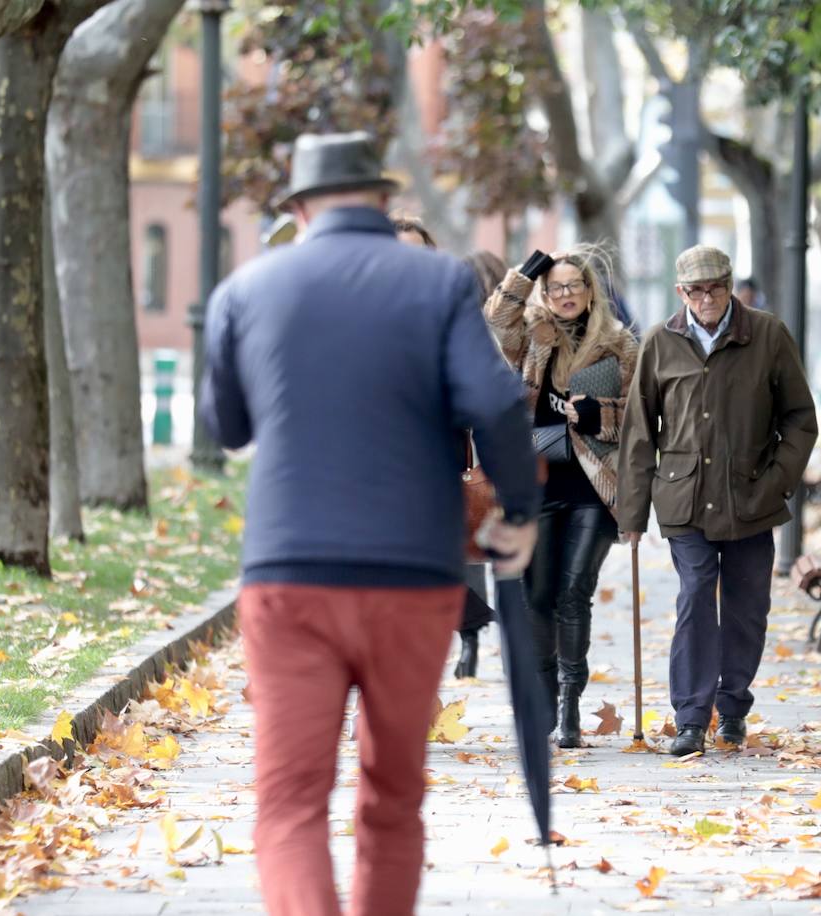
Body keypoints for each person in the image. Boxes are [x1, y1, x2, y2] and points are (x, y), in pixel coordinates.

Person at [199, 131, 539, 916]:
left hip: (291, 575)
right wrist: (517, 511)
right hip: (413, 577)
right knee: (392, 796)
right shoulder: (439, 284)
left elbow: (226, 424)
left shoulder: (247, 290)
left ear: (297, 208)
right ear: (383, 201)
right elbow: (492, 401)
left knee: (289, 803)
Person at [616, 245, 817, 757]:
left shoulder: (767, 335)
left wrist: (777, 481)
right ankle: (690, 716)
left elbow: (800, 418)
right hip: (684, 499)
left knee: (748, 607)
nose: (708, 298)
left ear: (731, 286)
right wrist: (632, 514)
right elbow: (640, 432)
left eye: (716, 288)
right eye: (696, 290)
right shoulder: (660, 342)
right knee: (696, 595)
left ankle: (731, 709)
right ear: (680, 293)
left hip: (753, 494)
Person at [483, 245, 639, 748]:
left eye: (574, 285)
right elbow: (497, 313)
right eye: (556, 287)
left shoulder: (620, 345)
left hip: (596, 487)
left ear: (591, 291)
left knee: (574, 592)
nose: (565, 294)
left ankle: (572, 701)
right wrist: (532, 268)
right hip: (538, 484)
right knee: (536, 597)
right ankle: (545, 697)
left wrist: (598, 416)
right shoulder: (530, 338)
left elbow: (639, 420)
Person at [455, 250, 510, 679]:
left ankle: (472, 634)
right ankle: (476, 634)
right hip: (480, 452)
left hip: (474, 450)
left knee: (467, 545)